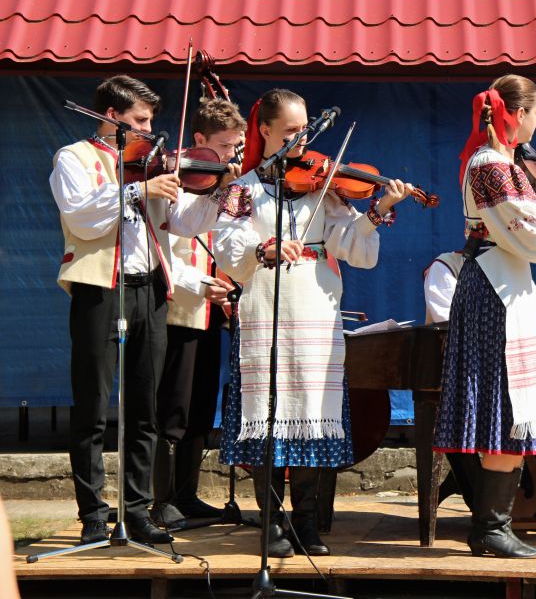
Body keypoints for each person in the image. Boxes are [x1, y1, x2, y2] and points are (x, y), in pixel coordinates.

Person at [213, 88, 413, 558]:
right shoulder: (242, 189)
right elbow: (227, 247)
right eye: (290, 131)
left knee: (312, 416)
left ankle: (306, 523)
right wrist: (261, 249)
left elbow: (352, 247)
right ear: (264, 130)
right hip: (265, 310)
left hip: (315, 311)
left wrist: (379, 211)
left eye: (305, 129)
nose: (302, 139)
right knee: (267, 417)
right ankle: (271, 522)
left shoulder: (324, 187)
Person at [50, 75, 224, 545]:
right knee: (91, 405)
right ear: (113, 116)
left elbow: (182, 224)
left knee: (144, 406)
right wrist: (138, 191)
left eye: (150, 121)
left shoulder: (152, 164)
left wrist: (215, 192)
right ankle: (92, 514)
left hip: (151, 289)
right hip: (99, 288)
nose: (150, 129)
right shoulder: (74, 158)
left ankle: (137, 509)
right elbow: (82, 218)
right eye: (141, 120)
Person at [433, 74, 536, 559]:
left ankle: (493, 525)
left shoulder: (501, 163)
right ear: (517, 115)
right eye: (535, 114)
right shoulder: (491, 165)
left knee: (511, 407)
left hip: (504, 282)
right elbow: (527, 234)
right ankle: (489, 527)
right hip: (493, 288)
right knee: (505, 406)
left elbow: (525, 226)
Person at [424, 250, 536, 533]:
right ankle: (483, 508)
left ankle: (530, 502)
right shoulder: (446, 266)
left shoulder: (511, 262)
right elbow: (447, 316)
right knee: (464, 412)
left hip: (505, 366)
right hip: (464, 369)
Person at [151, 98, 245, 529]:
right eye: (223, 147)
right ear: (199, 140)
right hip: (181, 306)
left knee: (202, 406)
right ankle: (161, 499)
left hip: (214, 309)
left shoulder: (225, 185)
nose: (230, 156)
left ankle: (186, 494)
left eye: (236, 148)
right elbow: (164, 251)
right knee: (173, 405)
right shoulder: (175, 179)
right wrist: (201, 284)